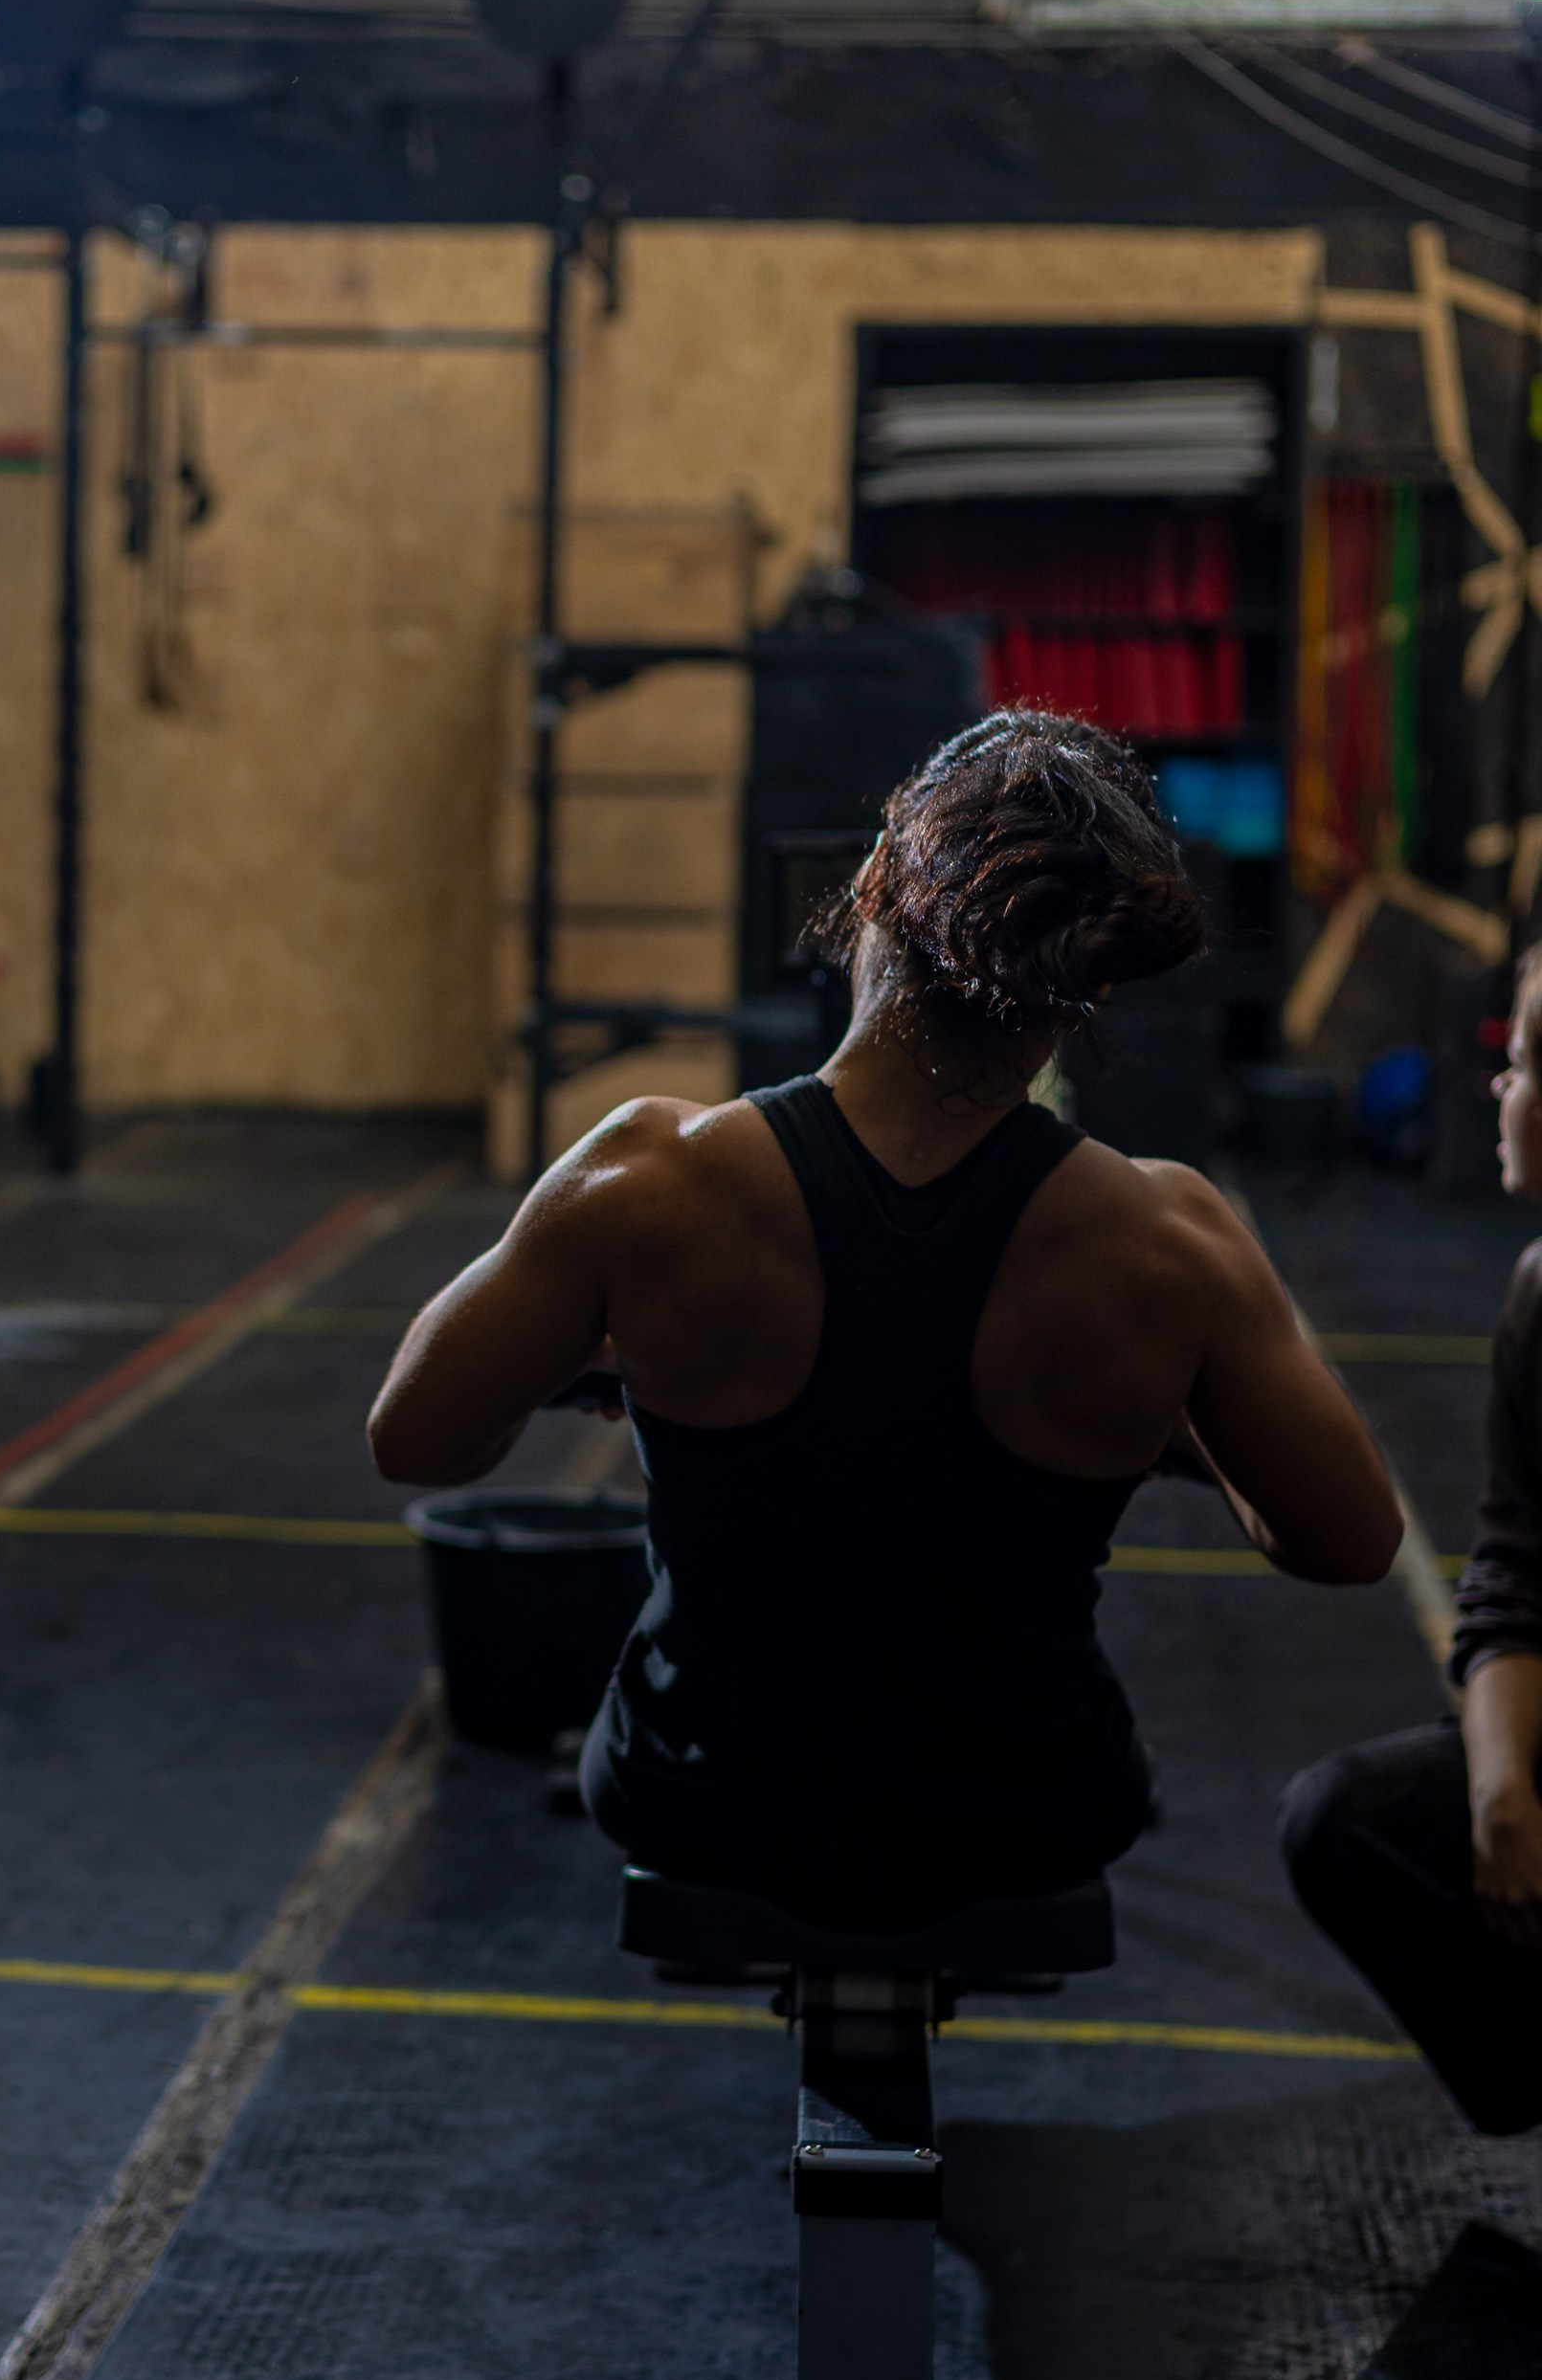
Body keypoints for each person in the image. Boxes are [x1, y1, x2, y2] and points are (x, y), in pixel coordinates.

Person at [371, 711, 1401, 1924]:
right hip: (1032, 1812)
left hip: (699, 1795)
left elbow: (418, 1440)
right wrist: (1173, 1430)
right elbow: (1345, 1544)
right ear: (1093, 978)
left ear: (870, 884)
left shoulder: (644, 1177)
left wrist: (614, 1353)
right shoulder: (1175, 1239)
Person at [1281, 949, 1542, 2133]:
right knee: (1348, 1822)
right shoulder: (1539, 1291)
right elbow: (1513, 1569)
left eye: (1520, 1063)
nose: (1500, 1090)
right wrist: (1500, 1794)